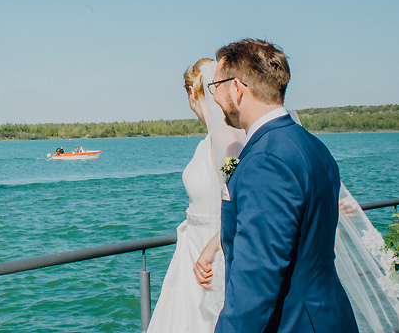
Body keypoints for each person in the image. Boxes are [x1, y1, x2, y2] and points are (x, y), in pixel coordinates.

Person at [207, 39, 357, 332]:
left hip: (293, 323)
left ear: (237, 88)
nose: (214, 97)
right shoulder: (313, 146)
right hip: (330, 316)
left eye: (217, 86)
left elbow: (256, 279)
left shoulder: (266, 161)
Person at [146, 58, 246, 333]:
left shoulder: (227, 138)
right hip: (192, 247)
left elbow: (239, 199)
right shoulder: (212, 139)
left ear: (192, 94)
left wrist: (213, 246)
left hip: (211, 251)